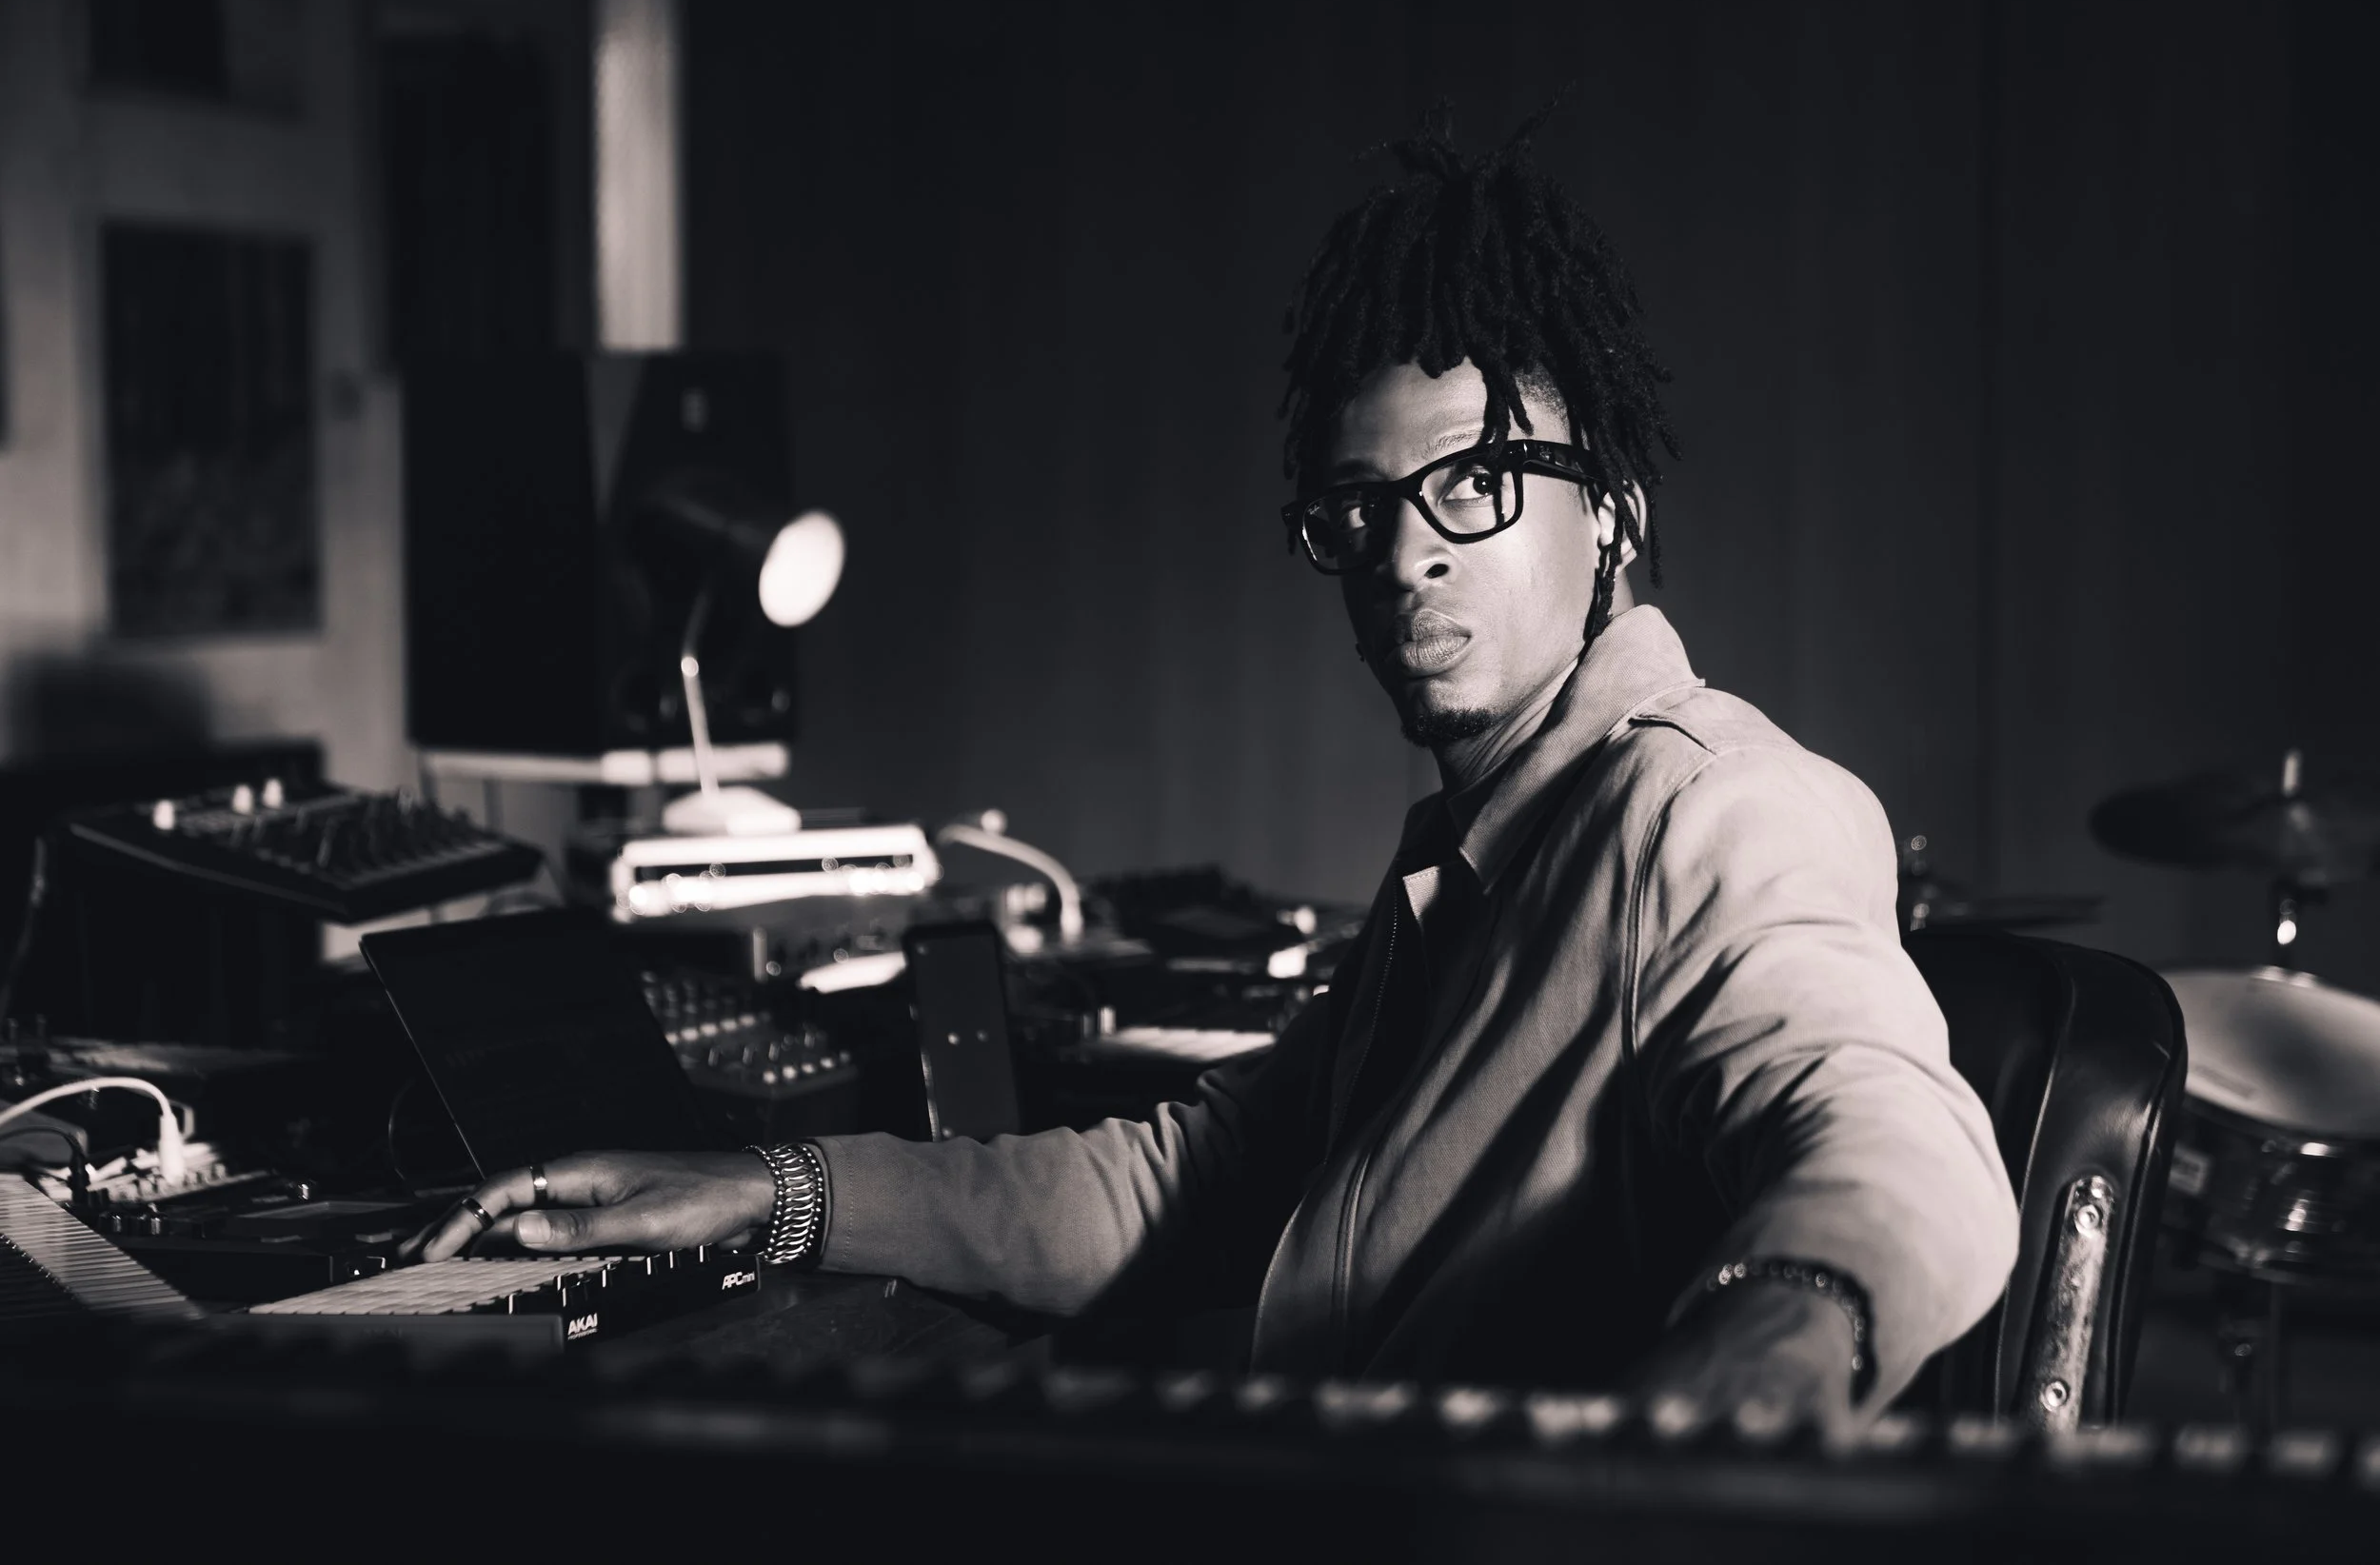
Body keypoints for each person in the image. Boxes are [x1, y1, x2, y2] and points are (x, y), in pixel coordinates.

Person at [406, 108, 2018, 1435]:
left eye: (1474, 482)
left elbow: (1891, 1135)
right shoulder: (1477, 859)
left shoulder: (1709, 807)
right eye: (1360, 508)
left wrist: (1775, 1340)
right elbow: (1177, 1181)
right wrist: (779, 1190)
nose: (1404, 559)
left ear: (1614, 512)